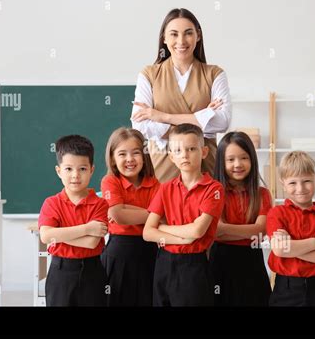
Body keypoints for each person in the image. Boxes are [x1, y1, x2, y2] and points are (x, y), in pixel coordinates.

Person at [131, 8, 231, 182]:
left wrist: (163, 116)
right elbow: (140, 125)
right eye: (174, 34)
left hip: (205, 166)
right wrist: (202, 118)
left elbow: (222, 122)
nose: (181, 41)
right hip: (162, 167)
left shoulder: (214, 74)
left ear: (198, 36)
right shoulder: (149, 74)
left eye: (188, 33)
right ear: (164, 38)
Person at [143, 123, 224, 306]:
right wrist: (182, 238)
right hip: (163, 262)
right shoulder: (165, 189)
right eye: (178, 150)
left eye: (191, 149)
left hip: (193, 264)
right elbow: (148, 232)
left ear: (203, 152)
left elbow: (197, 231)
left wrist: (163, 228)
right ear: (171, 156)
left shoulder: (214, 189)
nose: (184, 155)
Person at [38, 135, 108, 306]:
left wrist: (61, 234)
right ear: (58, 171)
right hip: (60, 273)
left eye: (82, 169)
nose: (75, 175)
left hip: (93, 272)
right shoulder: (52, 203)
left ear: (92, 169)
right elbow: (46, 236)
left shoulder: (100, 204)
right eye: (68, 169)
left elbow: (92, 242)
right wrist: (87, 228)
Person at [267, 151, 315, 306]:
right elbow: (281, 250)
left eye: (307, 180)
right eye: (292, 183)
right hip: (285, 291)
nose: (300, 188)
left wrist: (293, 249)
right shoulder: (276, 214)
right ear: (283, 184)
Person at [210, 131, 272, 306]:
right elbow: (213, 232)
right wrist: (247, 231)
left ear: (252, 159)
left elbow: (261, 231)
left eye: (244, 158)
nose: (238, 164)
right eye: (230, 160)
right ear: (221, 162)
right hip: (221, 263)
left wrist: (224, 229)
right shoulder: (214, 192)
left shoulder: (262, 194)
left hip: (252, 262)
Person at [100, 127, 160, 306]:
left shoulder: (155, 184)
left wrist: (125, 209)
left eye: (136, 153)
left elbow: (162, 219)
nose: (130, 159)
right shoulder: (110, 181)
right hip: (119, 252)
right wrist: (151, 214)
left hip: (150, 251)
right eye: (122, 154)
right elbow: (118, 216)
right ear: (112, 158)